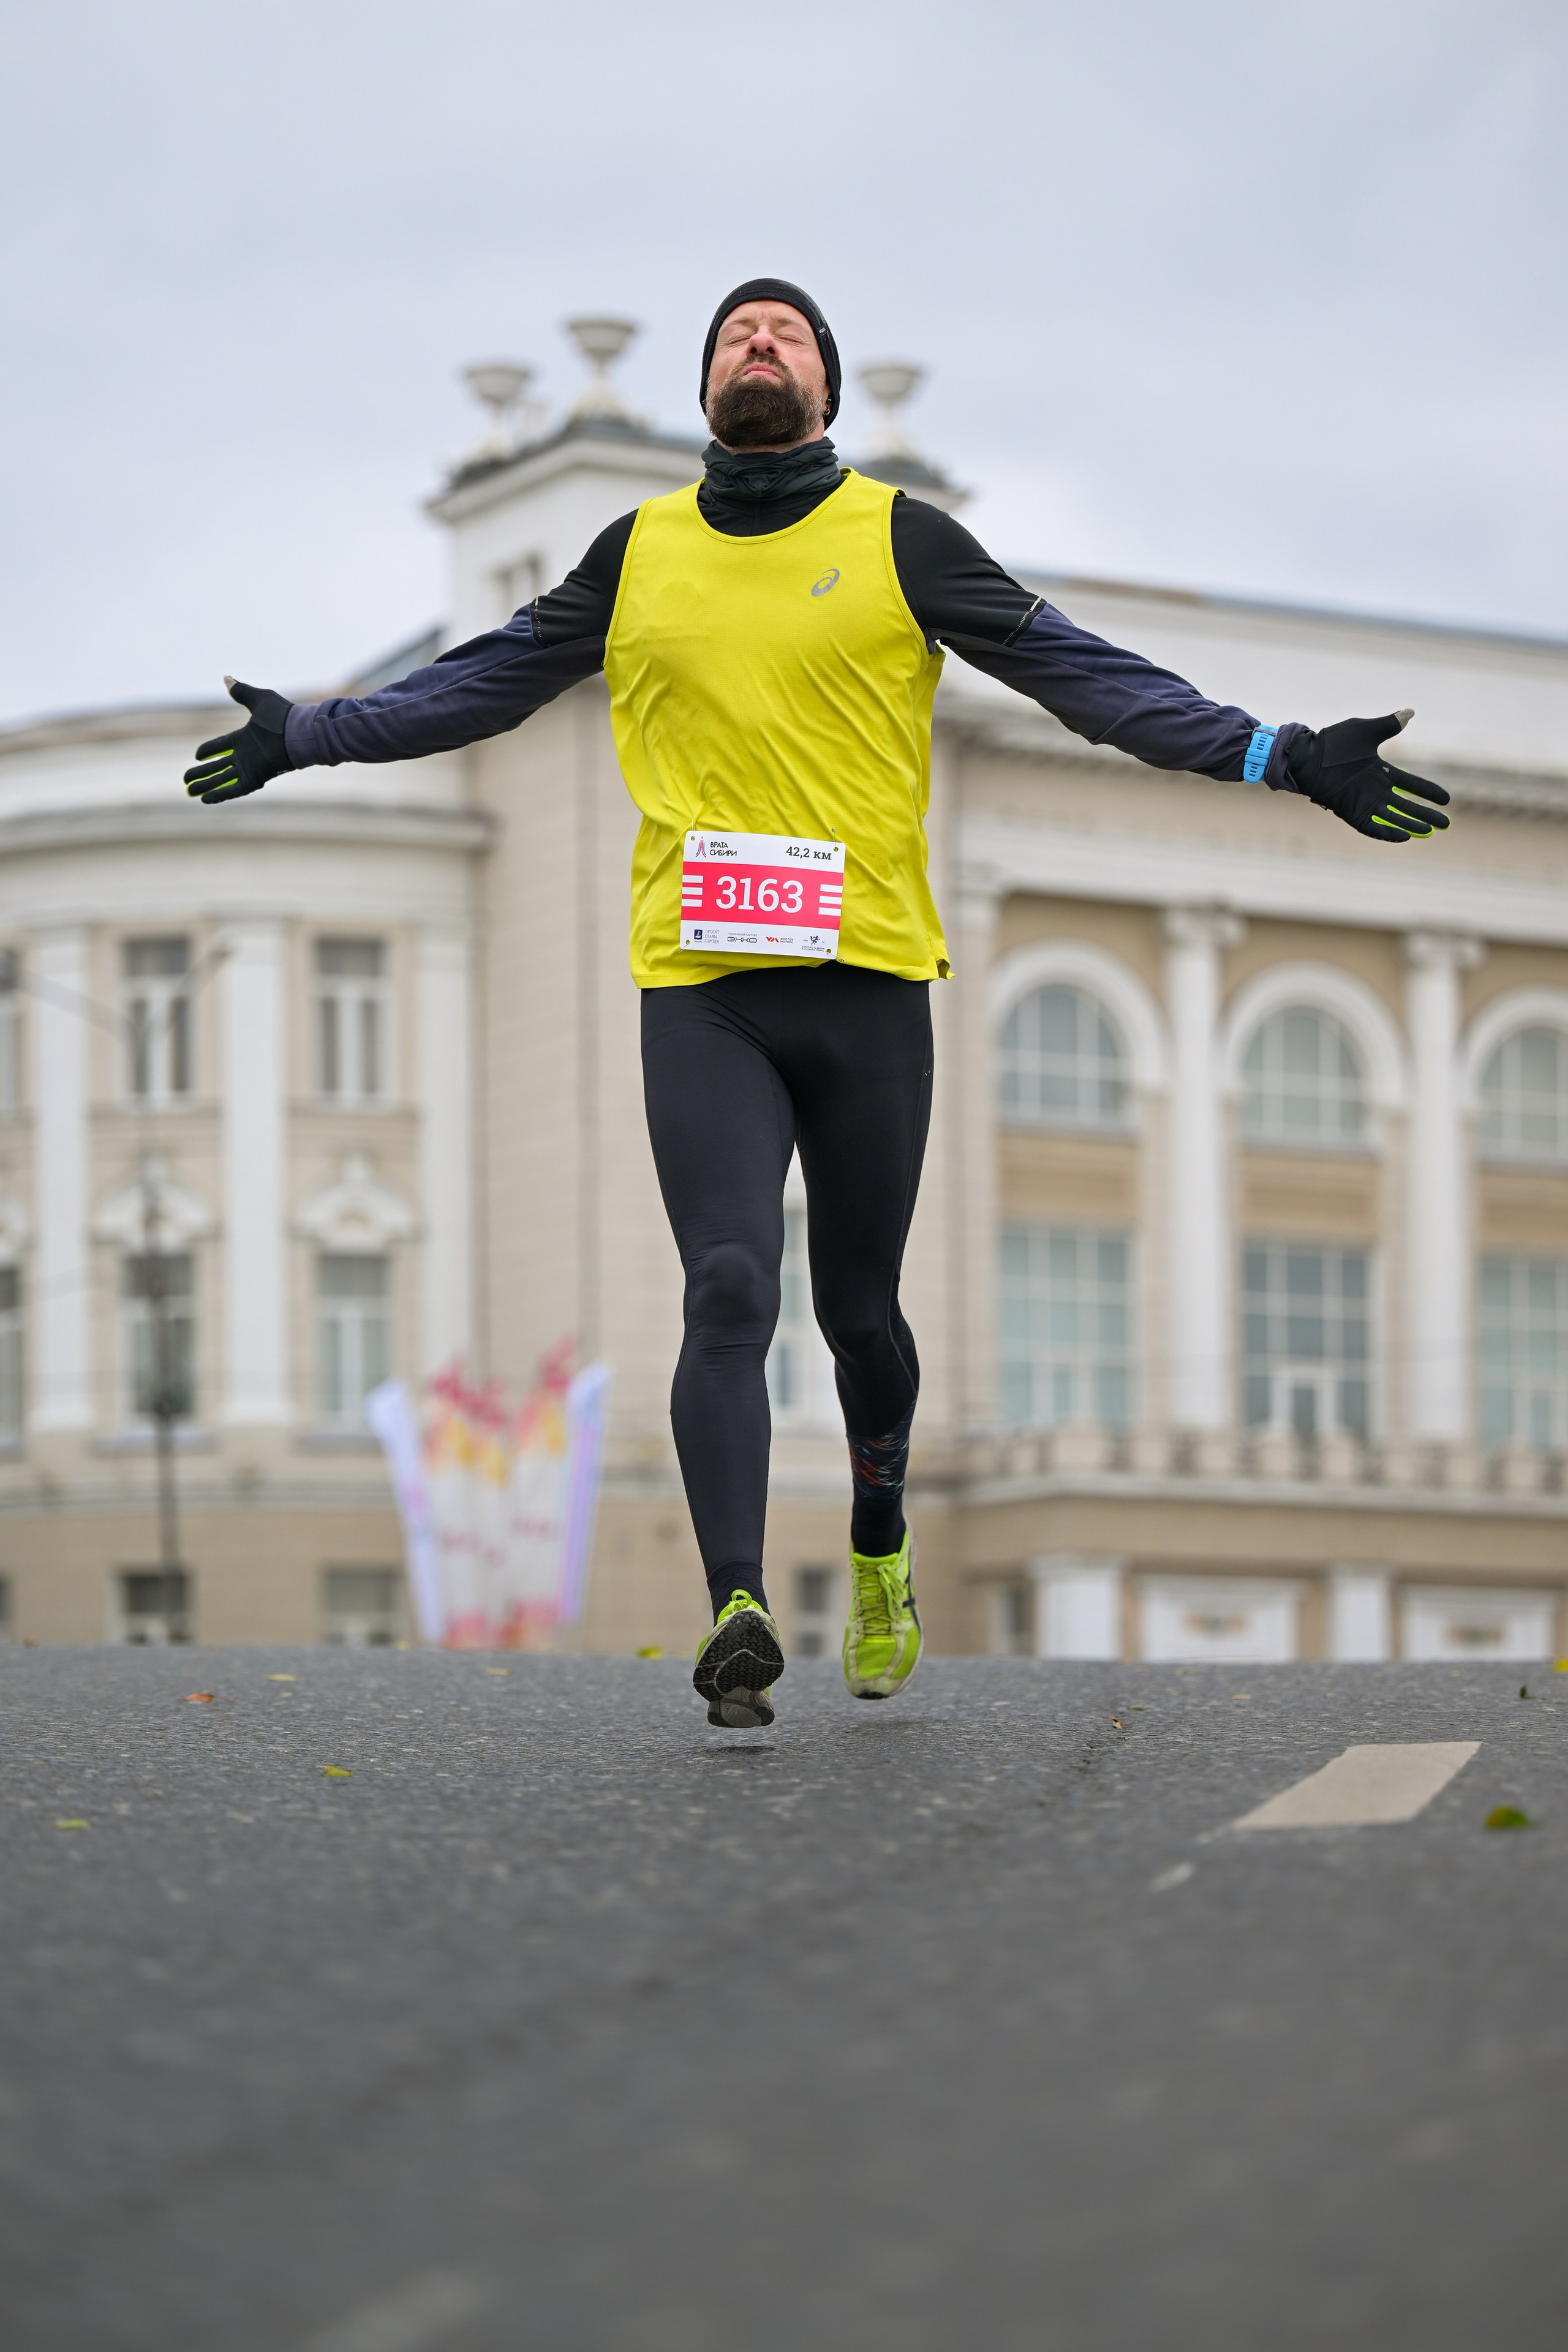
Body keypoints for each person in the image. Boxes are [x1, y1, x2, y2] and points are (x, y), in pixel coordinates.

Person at [185, 276, 1450, 1729]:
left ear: (825, 392)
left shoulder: (902, 539)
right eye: (732, 333)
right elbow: (480, 682)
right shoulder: (637, 551)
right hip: (704, 987)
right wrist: (309, 733)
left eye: (784, 331)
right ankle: (734, 1603)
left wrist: (1281, 754)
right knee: (727, 1284)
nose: (757, 342)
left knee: (856, 1313)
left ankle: (877, 1547)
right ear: (706, 388)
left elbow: (1086, 683)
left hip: (865, 987)